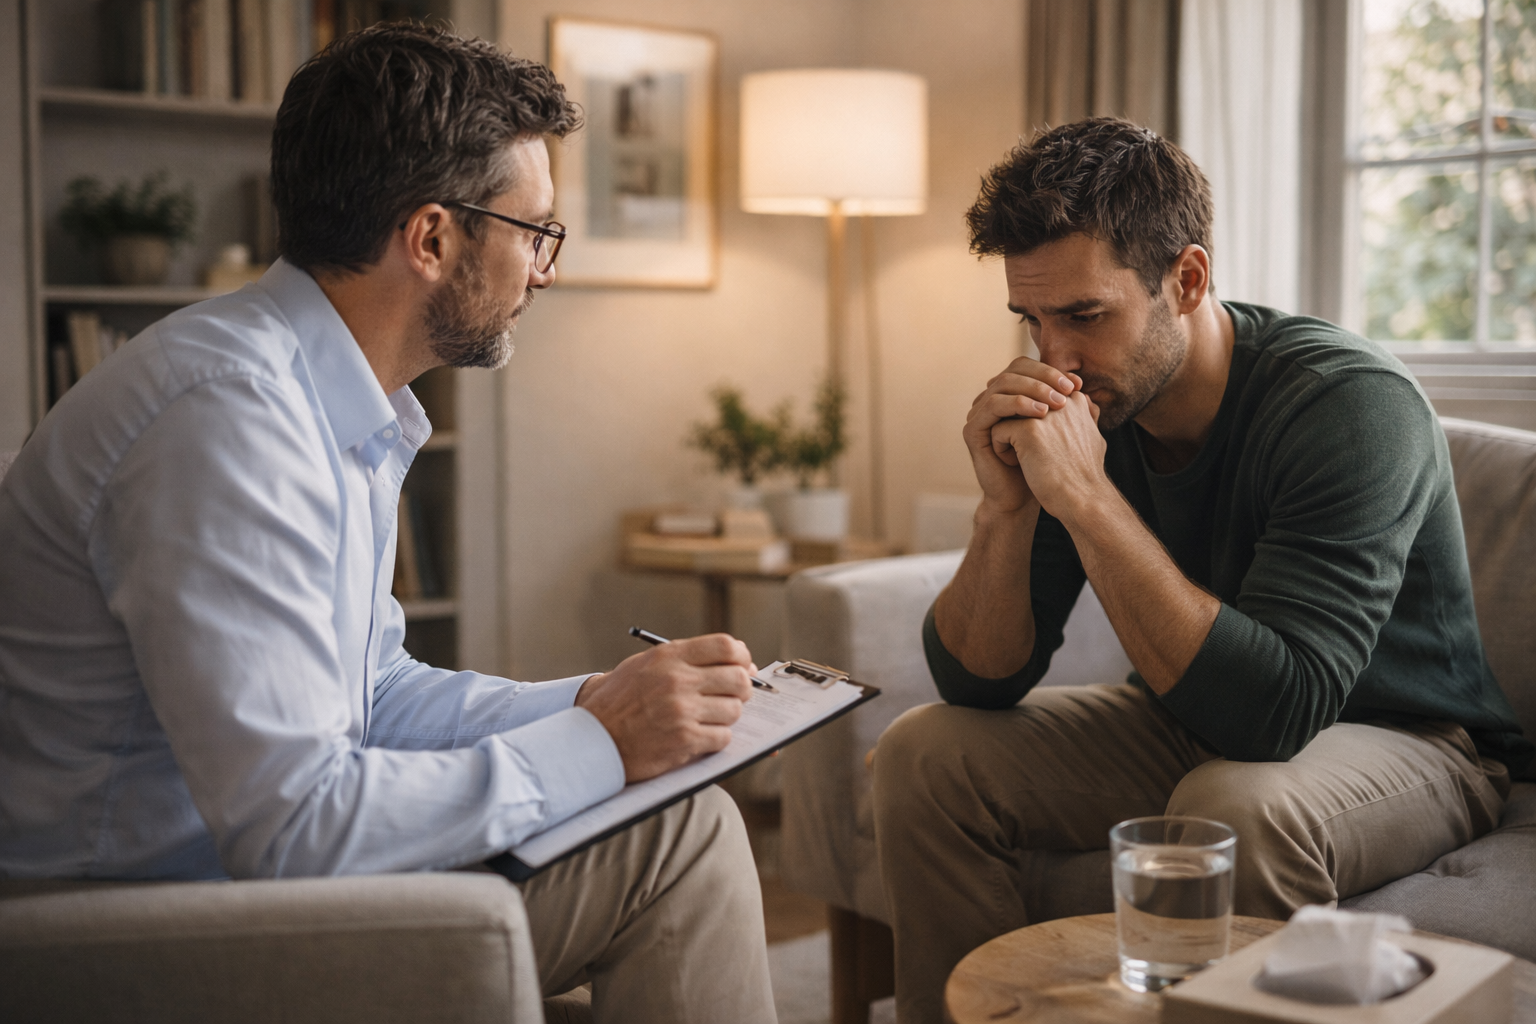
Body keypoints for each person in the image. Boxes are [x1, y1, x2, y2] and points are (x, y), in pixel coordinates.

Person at [0, 24, 775, 1024]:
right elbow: (294, 831)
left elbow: (373, 695)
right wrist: (600, 743)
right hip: (126, 927)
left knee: (673, 826)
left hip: (216, 882)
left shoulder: (315, 394)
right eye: (534, 232)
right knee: (679, 839)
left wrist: (594, 700)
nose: (546, 271)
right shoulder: (227, 420)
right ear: (433, 238)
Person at [870, 117, 1533, 1023]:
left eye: (1084, 316)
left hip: (1414, 741)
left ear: (1186, 279)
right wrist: (1009, 509)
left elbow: (1277, 709)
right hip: (1196, 715)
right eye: (1032, 320)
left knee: (1232, 801)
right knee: (926, 750)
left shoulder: (1350, 406)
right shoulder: (1097, 406)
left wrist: (1089, 499)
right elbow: (978, 680)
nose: (1051, 359)